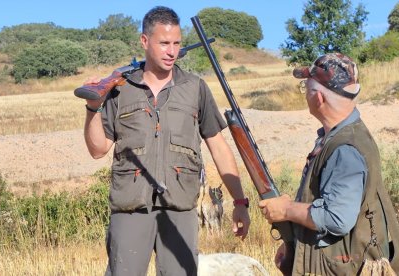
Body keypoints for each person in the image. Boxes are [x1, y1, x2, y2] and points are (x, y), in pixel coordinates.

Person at [82, 6, 250, 276]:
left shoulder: (195, 88)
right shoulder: (120, 90)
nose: (171, 51)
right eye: (164, 43)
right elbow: (97, 149)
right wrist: (93, 108)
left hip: (180, 208)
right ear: (144, 41)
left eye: (176, 43)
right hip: (131, 209)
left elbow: (218, 146)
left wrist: (240, 202)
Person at [259, 53, 399, 275]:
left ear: (319, 98)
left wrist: (286, 210)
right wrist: (293, 241)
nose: (304, 93)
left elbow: (337, 217)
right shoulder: (340, 136)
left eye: (306, 87)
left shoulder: (345, 149)